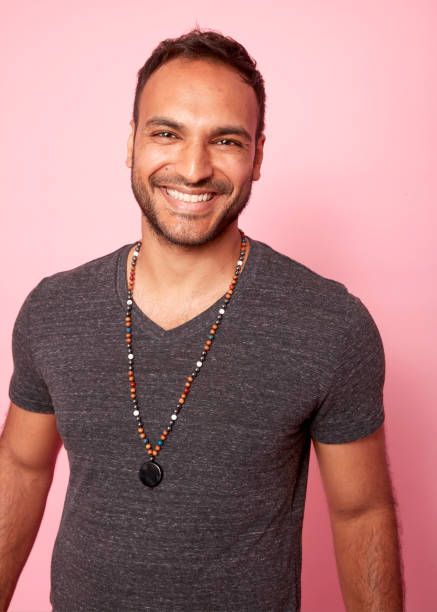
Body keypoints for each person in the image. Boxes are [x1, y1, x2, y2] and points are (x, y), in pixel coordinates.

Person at [0, 28, 404, 612]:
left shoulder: (329, 325)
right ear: (132, 142)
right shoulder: (54, 309)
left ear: (258, 155)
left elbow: (361, 510)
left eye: (226, 141)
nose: (192, 169)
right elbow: (20, 466)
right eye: (166, 133)